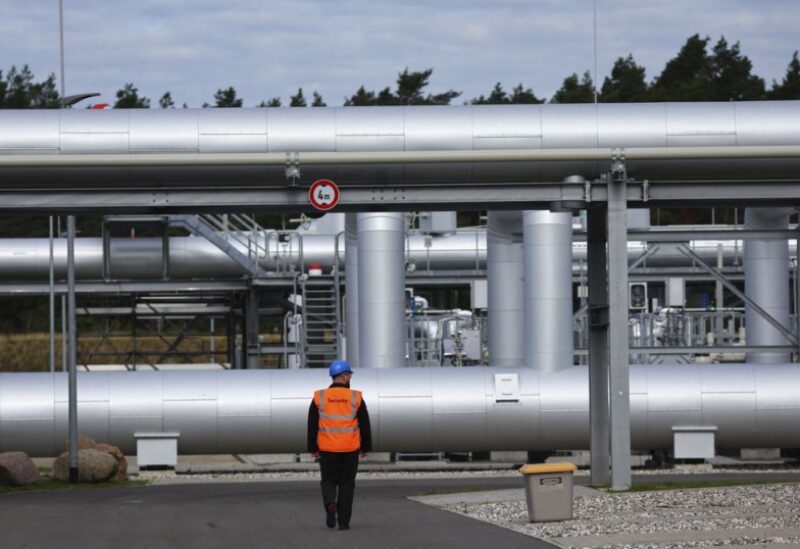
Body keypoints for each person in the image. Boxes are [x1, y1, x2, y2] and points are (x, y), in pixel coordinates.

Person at [307, 359, 372, 531]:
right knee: (347, 484)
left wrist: (312, 449)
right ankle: (343, 522)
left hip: (327, 449)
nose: (350, 377)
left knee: (328, 481)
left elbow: (312, 424)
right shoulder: (355, 397)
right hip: (350, 449)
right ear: (344, 376)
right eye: (349, 374)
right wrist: (366, 447)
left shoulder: (319, 397)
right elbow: (365, 424)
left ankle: (330, 504)